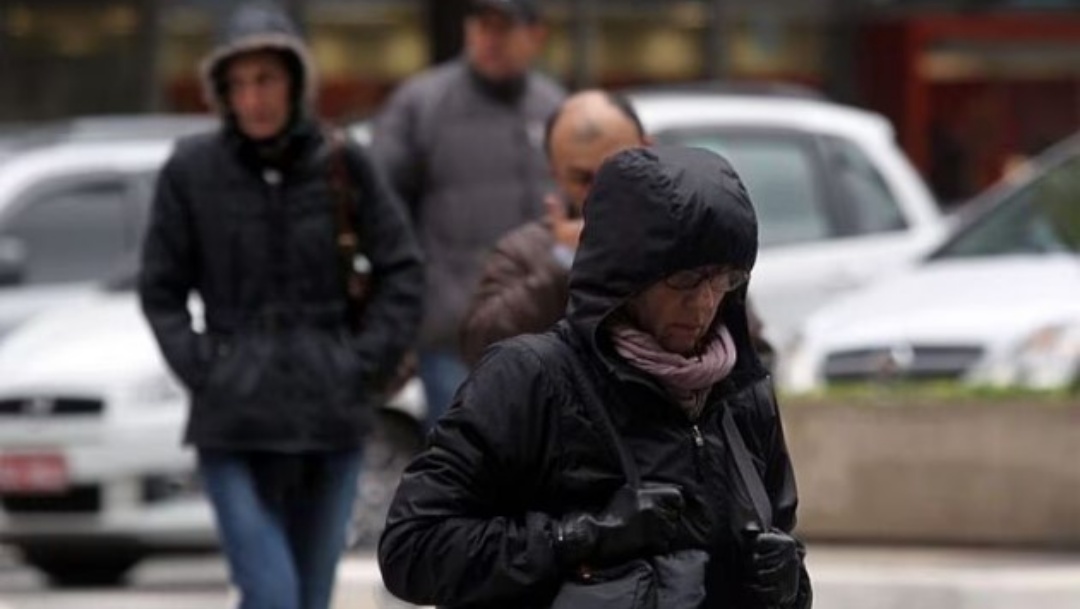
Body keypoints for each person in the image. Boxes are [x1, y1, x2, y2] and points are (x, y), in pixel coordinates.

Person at [378, 146, 811, 608]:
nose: (704, 303)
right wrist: (580, 537)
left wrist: (789, 585)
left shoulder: (744, 396)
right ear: (626, 275)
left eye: (723, 279)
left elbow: (783, 544)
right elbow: (412, 549)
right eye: (684, 279)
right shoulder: (530, 380)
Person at [137, 5, 423, 609]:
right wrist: (204, 366)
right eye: (238, 83)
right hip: (233, 420)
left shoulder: (343, 163)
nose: (254, 97)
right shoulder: (192, 170)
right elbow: (160, 288)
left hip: (330, 416)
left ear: (296, 82)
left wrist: (361, 360)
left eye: (266, 79)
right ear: (221, 92)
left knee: (309, 598)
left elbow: (402, 268)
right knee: (273, 596)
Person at [460, 91, 775, 368]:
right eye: (583, 178)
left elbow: (751, 351)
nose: (602, 190)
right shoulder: (527, 250)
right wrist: (565, 262)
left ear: (647, 148)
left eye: (618, 168)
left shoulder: (691, 239)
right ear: (555, 174)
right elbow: (481, 348)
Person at [371, 0, 564, 427]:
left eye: (503, 28)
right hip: (452, 334)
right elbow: (380, 209)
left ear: (536, 35)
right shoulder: (422, 104)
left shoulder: (553, 108)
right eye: (480, 25)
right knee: (466, 470)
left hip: (544, 332)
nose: (488, 39)